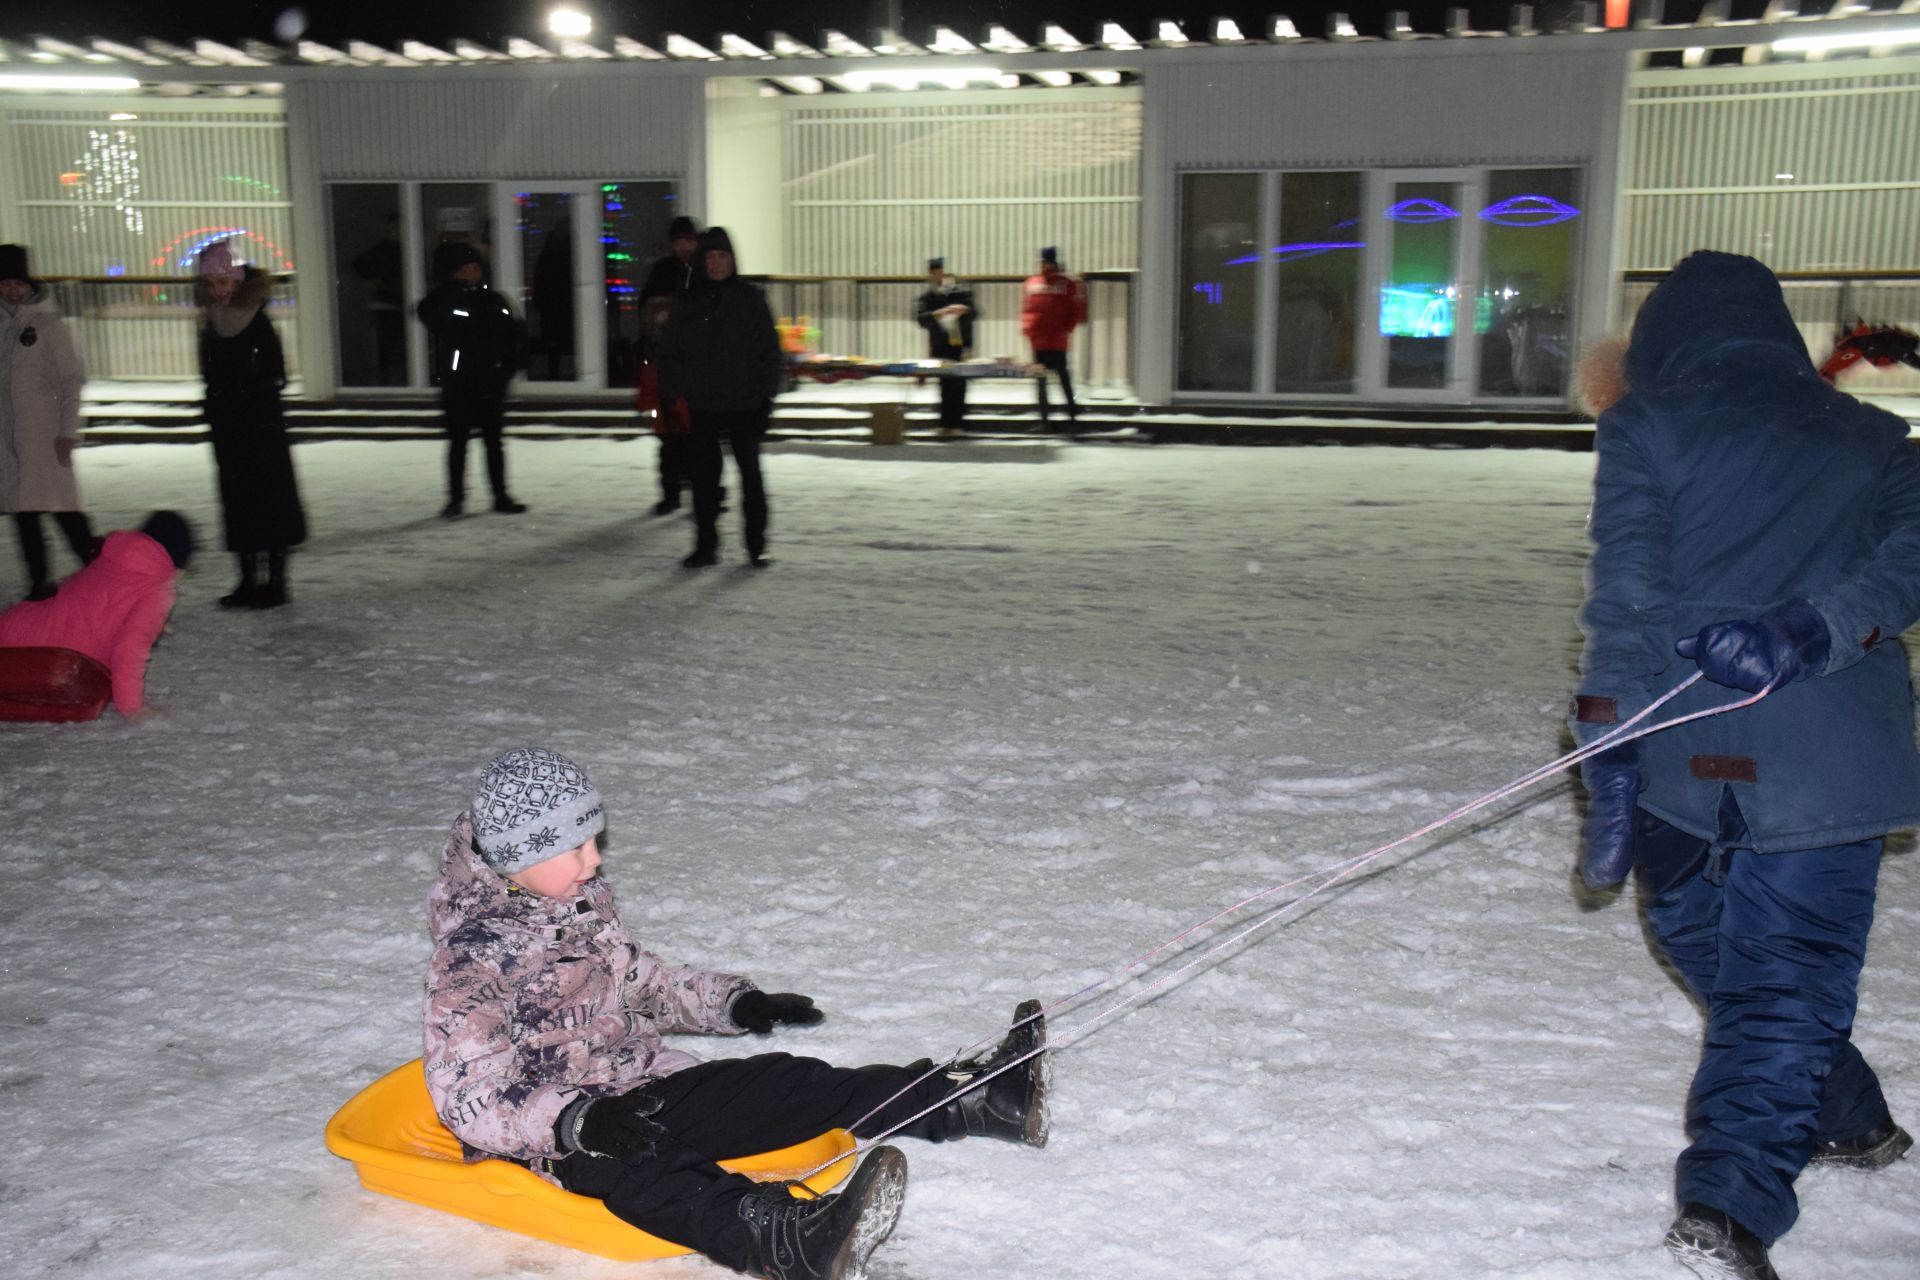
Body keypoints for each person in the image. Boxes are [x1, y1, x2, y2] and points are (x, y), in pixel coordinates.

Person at [1572, 252, 1918, 1280]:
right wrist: (1609, 748)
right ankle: (1846, 1112)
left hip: (1816, 762)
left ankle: (1730, 1200)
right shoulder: (1657, 429)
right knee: (1728, 952)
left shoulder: (1879, 444)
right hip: (1693, 751)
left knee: (1775, 980)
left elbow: (1910, 560)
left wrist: (1810, 626)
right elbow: (1628, 601)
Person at [425, 747, 1050, 1280]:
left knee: (785, 1081)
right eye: (576, 847)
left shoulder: (570, 900)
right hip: (553, 1140)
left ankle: (973, 1100)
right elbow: (467, 1093)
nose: (595, 860)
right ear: (517, 857)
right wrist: (576, 1122)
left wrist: (732, 1001)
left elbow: (640, 979)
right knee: (653, 1173)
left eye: (594, 840)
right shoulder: (471, 961)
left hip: (642, 1084)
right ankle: (793, 1240)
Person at [657, 227, 783, 569]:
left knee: (752, 481)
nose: (715, 263)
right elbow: (671, 354)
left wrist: (766, 398)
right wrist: (671, 398)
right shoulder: (688, 302)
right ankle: (705, 545)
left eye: (722, 256)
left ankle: (756, 545)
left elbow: (770, 353)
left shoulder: (751, 300)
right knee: (704, 483)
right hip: (702, 407)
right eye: (710, 257)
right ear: (701, 261)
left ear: (732, 260)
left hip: (745, 405)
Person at [196, 241, 306, 609]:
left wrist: (247, 393)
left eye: (224, 281)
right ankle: (247, 578)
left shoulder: (257, 321)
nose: (218, 290)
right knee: (238, 501)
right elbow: (210, 372)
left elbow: (276, 374)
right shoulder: (210, 321)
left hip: (260, 425)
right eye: (211, 282)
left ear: (238, 281)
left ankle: (275, 582)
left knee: (270, 502)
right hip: (229, 427)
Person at [0, 511, 193, 718]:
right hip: (58, 664)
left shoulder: (112, 557)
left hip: (18, 628)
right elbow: (129, 648)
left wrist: (153, 622)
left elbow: (96, 604)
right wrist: (132, 708)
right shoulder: (157, 589)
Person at [0, 244, 97, 603]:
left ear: (29, 285)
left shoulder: (48, 325)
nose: (11, 290)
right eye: (5, 282)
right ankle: (39, 583)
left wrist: (68, 431)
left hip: (44, 436)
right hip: (8, 444)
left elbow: (72, 379)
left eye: (17, 283)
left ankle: (98, 572)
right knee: (24, 519)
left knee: (65, 513)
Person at [416, 242, 527, 518]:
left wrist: (507, 368)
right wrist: (453, 289)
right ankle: (456, 499)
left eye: (476, 267)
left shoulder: (494, 300)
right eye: (467, 267)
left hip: (491, 382)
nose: (473, 272)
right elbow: (430, 315)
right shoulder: (446, 299)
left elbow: (514, 336)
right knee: (459, 443)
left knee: (493, 442)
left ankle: (500, 495)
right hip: (459, 383)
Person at [638, 215, 700, 515]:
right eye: (680, 241)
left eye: (689, 240)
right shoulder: (662, 272)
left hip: (698, 367)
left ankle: (704, 491)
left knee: (699, 434)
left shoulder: (704, 270)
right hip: (665, 363)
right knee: (668, 434)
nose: (685, 246)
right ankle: (670, 492)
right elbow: (649, 315)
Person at [1019, 246, 1086, 426]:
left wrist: (1065, 329)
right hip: (1041, 342)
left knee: (1062, 380)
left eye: (1047, 263)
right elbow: (1026, 310)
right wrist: (1028, 329)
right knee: (1045, 382)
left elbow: (1075, 311)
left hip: (1055, 342)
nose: (1045, 266)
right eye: (1043, 263)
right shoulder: (1033, 283)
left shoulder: (1065, 284)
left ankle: (1070, 415)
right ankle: (1046, 417)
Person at [915, 257, 976, 432]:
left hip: (959, 345)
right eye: (934, 273)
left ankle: (957, 422)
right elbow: (921, 318)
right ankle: (945, 422)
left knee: (959, 384)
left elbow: (974, 312)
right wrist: (937, 314)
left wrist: (964, 310)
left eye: (939, 272)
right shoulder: (928, 296)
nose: (937, 276)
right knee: (944, 384)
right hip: (940, 345)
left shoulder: (961, 292)